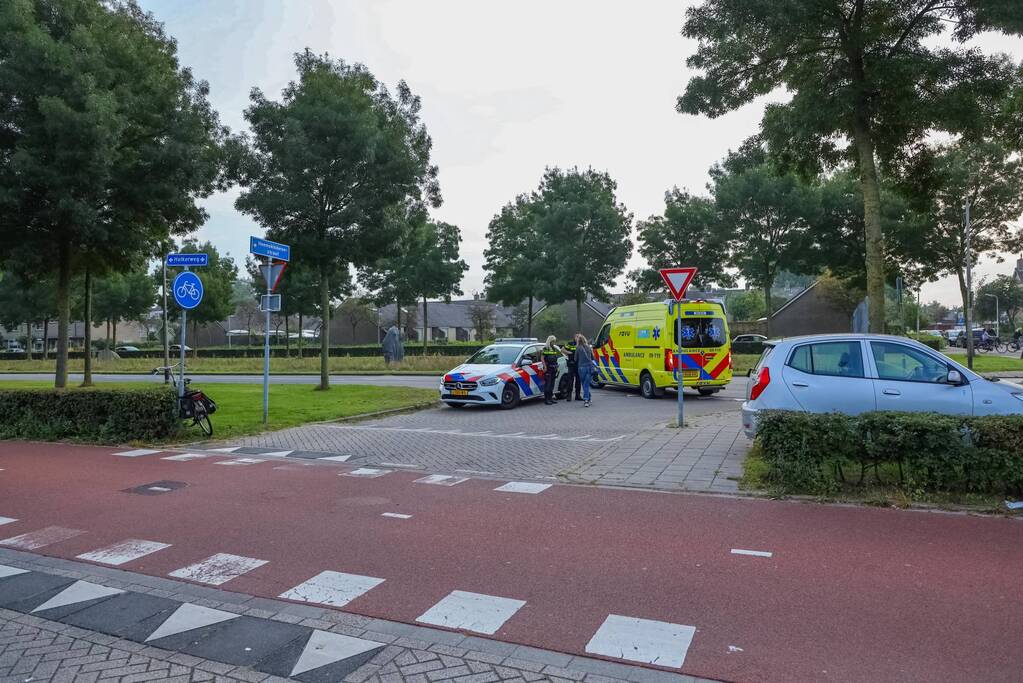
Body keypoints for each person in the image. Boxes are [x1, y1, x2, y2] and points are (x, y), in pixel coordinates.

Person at [574, 333, 596, 407]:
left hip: (581, 368)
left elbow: (575, 359)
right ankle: (588, 398)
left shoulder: (578, 348)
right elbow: (593, 358)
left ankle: (586, 399)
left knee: (584, 384)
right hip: (589, 368)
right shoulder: (589, 348)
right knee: (586, 384)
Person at [541, 335, 561, 405]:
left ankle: (551, 398)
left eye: (554, 342)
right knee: (548, 384)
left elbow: (555, 359)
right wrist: (545, 367)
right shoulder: (545, 348)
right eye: (553, 341)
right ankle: (547, 399)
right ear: (550, 341)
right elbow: (542, 358)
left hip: (554, 368)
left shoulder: (553, 348)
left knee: (552, 384)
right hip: (548, 368)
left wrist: (557, 368)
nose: (554, 343)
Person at [561, 335, 580, 401]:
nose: (577, 338)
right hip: (571, 364)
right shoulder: (570, 344)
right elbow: (562, 349)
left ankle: (578, 395)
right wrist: (568, 352)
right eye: (576, 337)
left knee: (578, 380)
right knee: (570, 380)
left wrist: (578, 342)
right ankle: (569, 396)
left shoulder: (580, 344)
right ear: (574, 337)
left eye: (579, 337)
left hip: (578, 364)